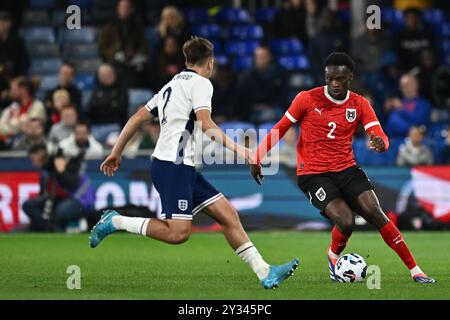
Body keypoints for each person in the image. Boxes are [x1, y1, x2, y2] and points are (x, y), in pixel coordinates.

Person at [90, 37, 299, 289]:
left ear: (187, 60)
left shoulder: (172, 84)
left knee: (228, 215)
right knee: (178, 233)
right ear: (210, 63)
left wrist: (116, 151)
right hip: (172, 165)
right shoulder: (201, 84)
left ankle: (265, 272)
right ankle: (116, 221)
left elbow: (137, 117)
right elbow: (207, 124)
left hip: (179, 166)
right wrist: (243, 151)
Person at [252, 52, 435, 283]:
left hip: (347, 169)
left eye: (340, 79)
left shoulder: (359, 103)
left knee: (376, 214)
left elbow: (380, 135)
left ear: (350, 77)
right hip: (313, 174)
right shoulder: (306, 99)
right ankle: (333, 254)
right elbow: (279, 128)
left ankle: (416, 271)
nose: (334, 84)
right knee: (346, 220)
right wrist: (256, 156)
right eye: (330, 78)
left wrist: (381, 142)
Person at [23, 143, 95, 231]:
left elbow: (72, 185)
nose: (34, 164)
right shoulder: (48, 169)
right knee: (30, 206)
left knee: (59, 214)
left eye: (34, 159)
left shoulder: (71, 164)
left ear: (41, 153)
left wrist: (62, 171)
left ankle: (51, 231)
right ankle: (44, 229)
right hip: (66, 198)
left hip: (81, 200)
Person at [98, 0, 150, 88]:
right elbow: (102, 49)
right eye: (122, 7)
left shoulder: (137, 27)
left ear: (131, 9)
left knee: (143, 68)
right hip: (115, 60)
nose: (124, 10)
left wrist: (134, 54)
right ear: (118, 9)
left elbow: (144, 47)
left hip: (134, 60)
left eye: (126, 8)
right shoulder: (109, 27)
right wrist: (115, 53)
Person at [384, 74, 431, 138]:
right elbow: (390, 126)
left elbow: (419, 122)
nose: (403, 89)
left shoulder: (423, 104)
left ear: (415, 84)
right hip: (396, 141)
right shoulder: (397, 104)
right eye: (401, 86)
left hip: (416, 141)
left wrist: (401, 109)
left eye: (406, 85)